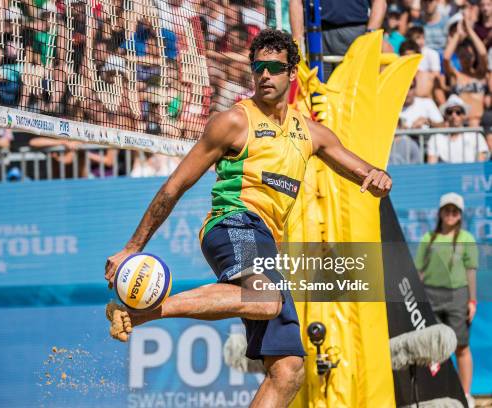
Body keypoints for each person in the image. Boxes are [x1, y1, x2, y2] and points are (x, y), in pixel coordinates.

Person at [104, 29, 392, 406]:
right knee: (266, 297)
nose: (266, 75)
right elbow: (173, 187)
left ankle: (141, 316)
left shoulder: (311, 133)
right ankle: (141, 315)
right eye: (259, 68)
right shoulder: (235, 121)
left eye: (275, 68)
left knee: (289, 370)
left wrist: (379, 178)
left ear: (292, 73)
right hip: (233, 222)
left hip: (265, 241)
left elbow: (363, 170)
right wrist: (131, 248)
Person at [415, 192, 478, 408]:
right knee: (434, 349)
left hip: (458, 296)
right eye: (446, 210)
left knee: (461, 346)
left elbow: (471, 271)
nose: (450, 215)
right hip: (430, 296)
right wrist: (417, 298)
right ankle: (438, 393)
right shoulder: (428, 238)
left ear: (460, 215)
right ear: (440, 213)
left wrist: (472, 301)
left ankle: (466, 394)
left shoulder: (466, 239)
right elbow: (419, 272)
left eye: (454, 211)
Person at [290, 0, 387, 77]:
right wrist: (298, 42)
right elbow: (296, 2)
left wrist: (370, 35)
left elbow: (380, 2)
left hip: (355, 33)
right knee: (318, 91)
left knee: (354, 91)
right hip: (317, 35)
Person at [443, 13, 488, 127]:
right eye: (463, 56)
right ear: (458, 56)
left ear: (474, 55)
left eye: (469, 55)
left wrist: (469, 30)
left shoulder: (480, 74)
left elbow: (483, 53)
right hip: (461, 127)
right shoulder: (455, 75)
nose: (467, 58)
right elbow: (446, 58)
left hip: (480, 127)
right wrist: (457, 34)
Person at [427, 95, 489, 163]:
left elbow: (480, 165)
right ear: (446, 115)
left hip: (470, 173)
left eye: (458, 112)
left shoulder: (476, 136)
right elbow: (432, 168)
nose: (454, 115)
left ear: (463, 115)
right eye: (450, 112)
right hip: (446, 173)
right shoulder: (435, 138)